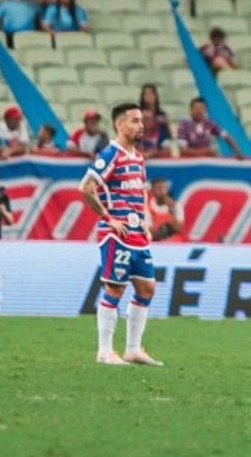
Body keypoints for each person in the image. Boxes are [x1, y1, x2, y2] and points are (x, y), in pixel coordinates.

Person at [78, 103, 163, 367]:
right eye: (135, 121)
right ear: (119, 124)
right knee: (115, 288)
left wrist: (145, 221)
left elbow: (140, 192)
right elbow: (86, 187)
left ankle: (133, 350)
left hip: (137, 233)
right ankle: (105, 351)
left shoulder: (138, 158)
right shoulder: (110, 154)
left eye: (141, 120)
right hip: (116, 234)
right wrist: (108, 218)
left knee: (147, 287)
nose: (141, 125)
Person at [177, 97, 243, 158]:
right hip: (191, 161)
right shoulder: (184, 125)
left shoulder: (209, 123)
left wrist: (237, 151)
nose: (199, 111)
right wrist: (204, 152)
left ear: (205, 110)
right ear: (191, 110)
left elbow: (226, 136)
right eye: (196, 108)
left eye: (202, 108)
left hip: (206, 160)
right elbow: (183, 151)